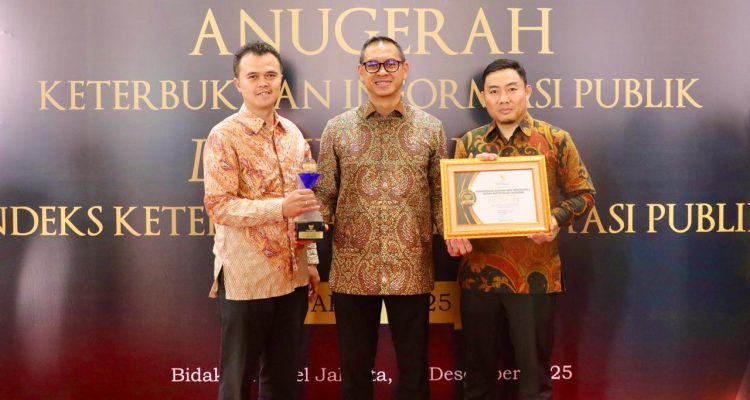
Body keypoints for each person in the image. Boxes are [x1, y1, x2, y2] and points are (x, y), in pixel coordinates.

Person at [447, 59, 596, 400]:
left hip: (534, 274)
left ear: (526, 91)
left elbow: (585, 194)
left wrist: (554, 219)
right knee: (477, 379)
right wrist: (469, 179)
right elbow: (454, 203)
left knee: (534, 381)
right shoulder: (469, 144)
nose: (503, 98)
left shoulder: (556, 139)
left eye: (511, 89)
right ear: (484, 98)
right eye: (494, 91)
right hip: (479, 275)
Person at [315, 36, 448, 400]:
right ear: (361, 72)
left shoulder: (431, 128)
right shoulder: (337, 129)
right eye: (372, 65)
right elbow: (323, 194)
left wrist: (457, 229)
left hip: (411, 268)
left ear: (405, 70)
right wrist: (313, 222)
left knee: (415, 372)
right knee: (355, 373)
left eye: (390, 63)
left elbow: (441, 196)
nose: (382, 72)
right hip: (352, 270)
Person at [203, 41, 321, 400]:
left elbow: (306, 202)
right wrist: (279, 208)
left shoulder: (294, 135)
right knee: (237, 381)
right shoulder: (223, 135)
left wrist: (311, 260)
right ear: (238, 84)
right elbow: (220, 207)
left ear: (281, 80)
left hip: (293, 276)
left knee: (283, 381)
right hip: (247, 278)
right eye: (253, 76)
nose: (263, 83)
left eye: (270, 75)